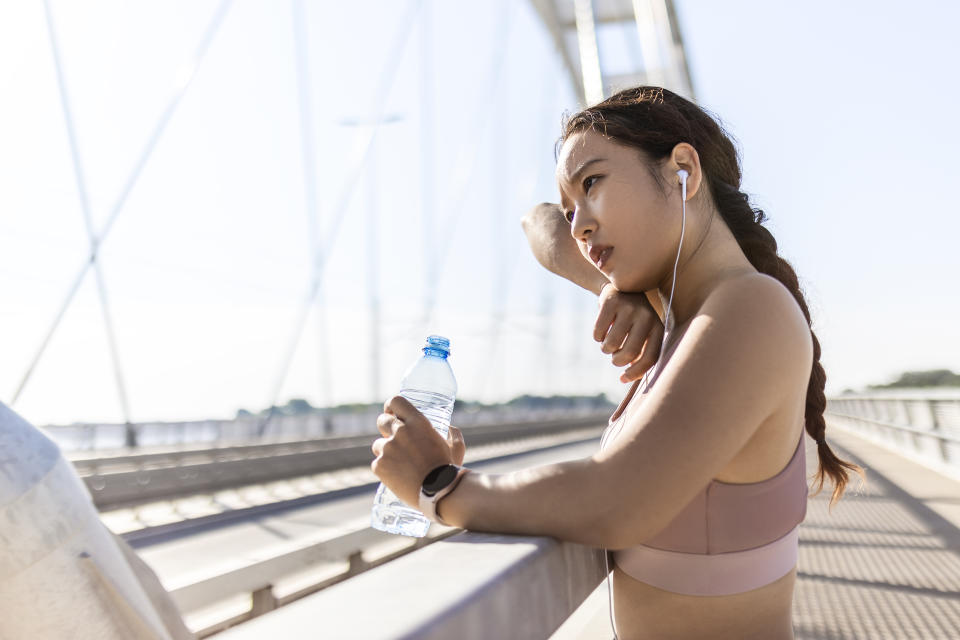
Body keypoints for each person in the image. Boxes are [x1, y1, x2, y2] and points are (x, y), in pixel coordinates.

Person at [370, 86, 865, 640]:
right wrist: (612, 286)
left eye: (592, 183)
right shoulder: (684, 320)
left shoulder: (750, 309)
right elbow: (538, 224)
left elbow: (615, 500)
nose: (579, 224)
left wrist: (438, 486)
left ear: (682, 169)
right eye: (571, 207)